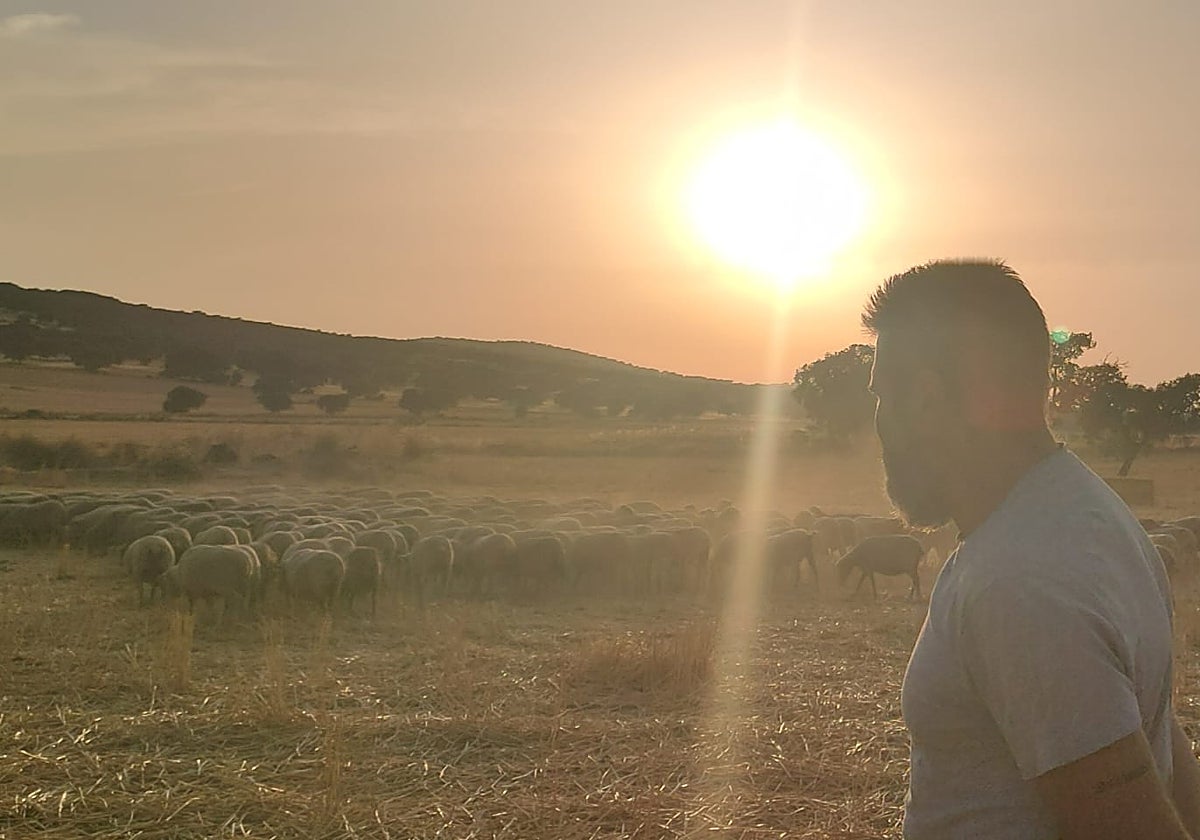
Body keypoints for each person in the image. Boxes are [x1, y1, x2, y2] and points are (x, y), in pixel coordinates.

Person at [862, 259, 1200, 839]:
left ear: (924, 398)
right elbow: (1162, 752)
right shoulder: (1090, 515)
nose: (878, 424)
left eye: (882, 397)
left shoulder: (1021, 579)